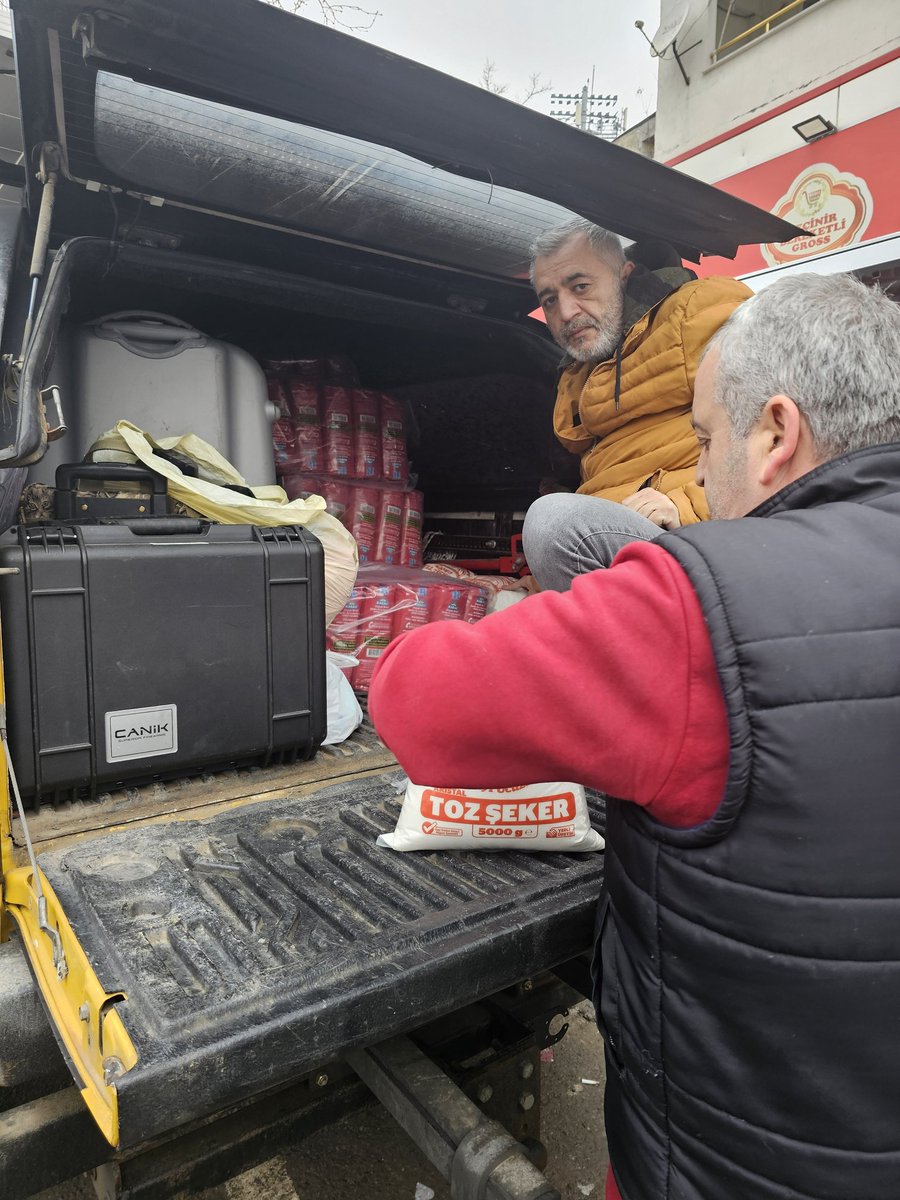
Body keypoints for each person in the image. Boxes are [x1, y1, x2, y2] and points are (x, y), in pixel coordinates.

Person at [369, 273, 900, 1200]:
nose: (699, 471)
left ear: (776, 436)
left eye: (703, 442)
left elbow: (419, 705)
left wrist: (499, 621)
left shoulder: (701, 604)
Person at [523, 218, 751, 590]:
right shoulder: (579, 376)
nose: (566, 312)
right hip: (621, 545)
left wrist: (685, 505)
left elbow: (785, 433)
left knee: (551, 520)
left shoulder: (697, 313)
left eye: (580, 286)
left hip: (701, 541)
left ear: (624, 276)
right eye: (549, 299)